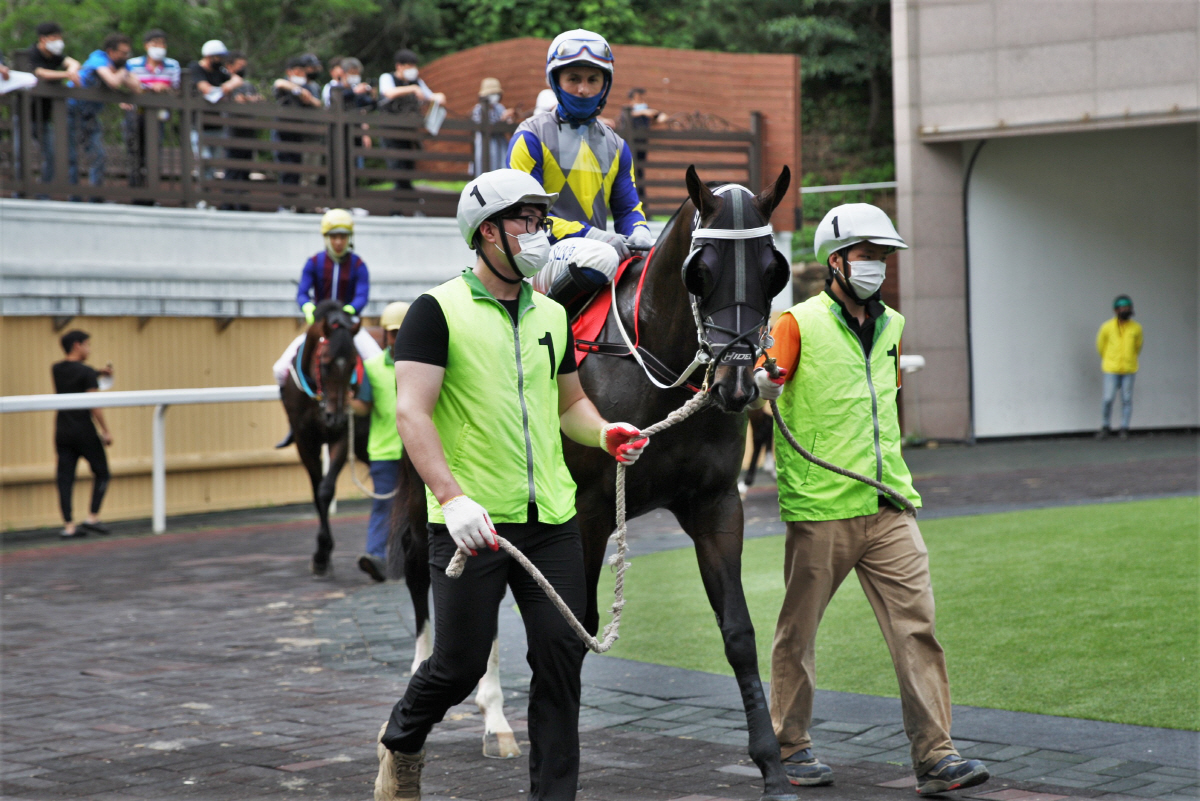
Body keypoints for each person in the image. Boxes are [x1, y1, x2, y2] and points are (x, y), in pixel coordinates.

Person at [373, 169, 648, 801]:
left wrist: (605, 432)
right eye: (525, 220)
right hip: (471, 524)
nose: (538, 233)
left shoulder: (552, 313)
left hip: (552, 521)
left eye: (540, 220)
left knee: (560, 661)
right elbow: (412, 413)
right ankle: (401, 740)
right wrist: (451, 498)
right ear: (487, 231)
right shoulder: (433, 312)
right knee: (460, 665)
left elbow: (569, 404)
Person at [753, 203, 990, 797]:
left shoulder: (893, 325)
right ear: (835, 260)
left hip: (889, 505)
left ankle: (936, 756)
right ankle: (790, 748)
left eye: (883, 257)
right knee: (797, 635)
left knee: (919, 629)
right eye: (867, 256)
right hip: (822, 508)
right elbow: (760, 383)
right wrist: (757, 381)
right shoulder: (796, 323)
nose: (878, 267)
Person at [507, 29, 653, 313]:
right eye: (573, 79)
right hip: (534, 253)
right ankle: (539, 322)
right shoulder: (530, 137)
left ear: (605, 84)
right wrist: (595, 236)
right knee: (603, 258)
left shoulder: (617, 146)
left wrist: (640, 232)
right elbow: (527, 216)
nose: (583, 90)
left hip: (592, 254)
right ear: (556, 81)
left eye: (592, 79)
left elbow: (627, 209)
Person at [273, 208, 382, 395]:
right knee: (280, 370)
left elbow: (362, 295)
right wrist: (307, 307)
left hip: (349, 325)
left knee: (378, 366)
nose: (338, 242)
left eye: (343, 236)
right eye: (333, 236)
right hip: (321, 325)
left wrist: (349, 310)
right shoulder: (314, 262)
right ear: (326, 237)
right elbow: (302, 293)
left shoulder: (358, 265)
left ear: (350, 238)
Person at [350, 301, 410, 582]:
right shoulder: (372, 367)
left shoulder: (422, 361)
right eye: (392, 333)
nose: (397, 339)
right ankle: (376, 556)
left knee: (418, 506)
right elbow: (363, 405)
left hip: (416, 449)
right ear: (385, 335)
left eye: (401, 332)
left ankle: (410, 556)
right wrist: (343, 402)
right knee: (384, 506)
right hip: (385, 450)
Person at [52, 330, 114, 539]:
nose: (89, 348)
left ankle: (69, 525)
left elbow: (74, 375)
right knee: (102, 471)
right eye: (87, 344)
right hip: (84, 431)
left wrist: (97, 373)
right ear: (77, 345)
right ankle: (92, 517)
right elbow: (94, 404)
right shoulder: (86, 372)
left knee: (65, 478)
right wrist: (105, 431)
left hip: (62, 431)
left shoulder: (56, 369)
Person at [69, 33, 141, 192]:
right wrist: (122, 74)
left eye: (127, 53)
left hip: (91, 114)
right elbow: (113, 82)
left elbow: (136, 86)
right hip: (71, 109)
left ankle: (96, 195)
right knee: (70, 156)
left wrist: (121, 71)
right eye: (122, 53)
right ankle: (73, 196)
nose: (125, 56)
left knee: (98, 155)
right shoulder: (98, 58)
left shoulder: (122, 64)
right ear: (111, 52)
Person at [124, 29, 181, 197]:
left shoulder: (172, 65)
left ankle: (152, 192)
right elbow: (126, 85)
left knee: (154, 151)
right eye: (155, 44)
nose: (159, 47)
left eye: (162, 44)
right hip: (136, 113)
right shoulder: (133, 64)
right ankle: (135, 190)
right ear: (146, 46)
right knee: (134, 149)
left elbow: (178, 90)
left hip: (159, 114)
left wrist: (166, 89)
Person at [378, 49, 444, 191]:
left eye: (414, 66)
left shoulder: (417, 82)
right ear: (399, 66)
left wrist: (440, 97)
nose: (413, 70)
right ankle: (398, 209)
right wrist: (412, 88)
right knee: (397, 168)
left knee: (408, 167)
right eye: (409, 66)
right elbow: (388, 92)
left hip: (408, 132)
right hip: (390, 131)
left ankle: (406, 207)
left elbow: (431, 96)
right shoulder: (387, 77)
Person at [28, 22, 81, 186]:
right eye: (54, 38)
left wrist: (72, 70)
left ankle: (43, 189)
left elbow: (74, 62)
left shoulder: (56, 56)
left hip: (44, 115)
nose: (58, 41)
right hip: (25, 112)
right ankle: (21, 190)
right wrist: (65, 74)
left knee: (50, 154)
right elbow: (40, 73)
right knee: (20, 154)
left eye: (59, 38)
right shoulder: (31, 54)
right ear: (43, 39)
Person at [187, 40, 242, 185]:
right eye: (218, 57)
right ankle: (200, 197)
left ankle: (206, 197)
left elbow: (237, 80)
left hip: (217, 126)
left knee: (212, 164)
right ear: (209, 56)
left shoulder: (220, 72)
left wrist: (224, 87)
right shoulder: (196, 68)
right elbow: (206, 89)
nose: (221, 61)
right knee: (203, 160)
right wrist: (222, 90)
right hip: (198, 126)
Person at [1096, 295, 1143, 439]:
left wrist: (1129, 359)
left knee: (1127, 399)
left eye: (1128, 308)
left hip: (1129, 369)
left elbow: (1138, 347)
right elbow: (1100, 346)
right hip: (1111, 368)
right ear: (1116, 310)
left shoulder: (1136, 328)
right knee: (1108, 398)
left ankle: (1124, 428)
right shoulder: (1107, 327)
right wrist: (1110, 360)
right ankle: (1105, 426)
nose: (1126, 310)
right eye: (1123, 308)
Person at [273, 56, 322, 189]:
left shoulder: (309, 86)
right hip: (283, 134)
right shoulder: (285, 86)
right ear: (289, 71)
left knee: (299, 171)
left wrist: (307, 96)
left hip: (299, 134)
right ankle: (285, 205)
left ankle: (295, 204)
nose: (301, 74)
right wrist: (299, 91)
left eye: (303, 71)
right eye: (298, 71)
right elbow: (279, 83)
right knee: (286, 169)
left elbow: (318, 103)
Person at [471, 77, 515, 175]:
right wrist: (502, 119)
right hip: (485, 144)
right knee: (483, 169)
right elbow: (483, 127)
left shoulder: (500, 108)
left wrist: (510, 118)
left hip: (500, 145)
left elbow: (507, 125)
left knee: (501, 170)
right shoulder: (478, 110)